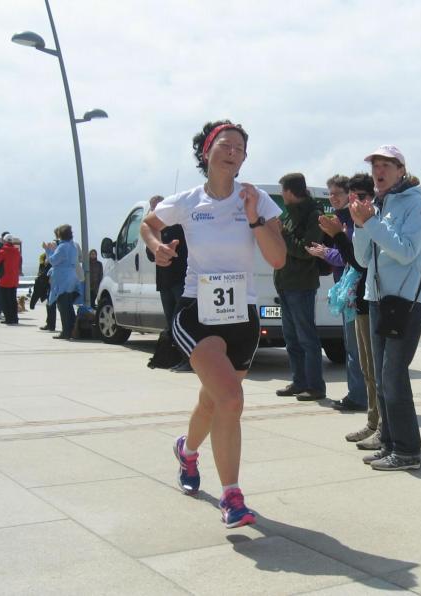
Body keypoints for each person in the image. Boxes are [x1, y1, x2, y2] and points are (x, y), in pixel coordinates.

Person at [140, 119, 285, 528]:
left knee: (213, 400)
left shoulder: (257, 199)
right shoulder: (187, 201)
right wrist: (157, 247)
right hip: (196, 312)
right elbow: (148, 224)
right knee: (231, 399)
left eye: (240, 147)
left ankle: (187, 452)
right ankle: (232, 497)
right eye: (225, 144)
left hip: (243, 316)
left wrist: (254, 219)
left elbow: (278, 259)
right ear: (206, 151)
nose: (233, 151)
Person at [351, 145, 421, 471]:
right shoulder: (379, 205)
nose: (379, 172)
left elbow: (406, 252)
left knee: (394, 378)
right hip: (378, 299)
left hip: (405, 302)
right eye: (375, 166)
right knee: (383, 379)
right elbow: (363, 259)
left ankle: (408, 450)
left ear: (401, 170)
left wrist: (371, 223)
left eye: (386, 165)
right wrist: (360, 225)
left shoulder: (416, 205)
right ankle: (389, 443)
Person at [308, 174, 368, 412]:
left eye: (337, 193)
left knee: (355, 348)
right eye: (330, 193)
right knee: (353, 346)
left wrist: (325, 252)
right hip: (346, 289)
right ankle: (359, 395)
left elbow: (349, 256)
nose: (332, 197)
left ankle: (358, 397)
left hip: (353, 290)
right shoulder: (340, 218)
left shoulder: (350, 219)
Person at [273, 172, 327, 401]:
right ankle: (299, 382)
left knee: (307, 338)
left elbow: (307, 251)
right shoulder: (289, 214)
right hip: (286, 283)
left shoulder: (313, 215)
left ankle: (315, 387)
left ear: (289, 191)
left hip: (302, 285)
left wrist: (283, 234)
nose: (282, 194)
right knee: (291, 339)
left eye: (282, 190)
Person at [147, 195, 191, 372]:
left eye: (157, 207)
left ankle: (188, 359)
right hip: (164, 283)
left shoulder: (177, 226)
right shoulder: (154, 230)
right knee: (171, 322)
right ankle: (176, 357)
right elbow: (151, 256)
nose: (154, 211)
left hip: (179, 281)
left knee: (182, 321)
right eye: (152, 208)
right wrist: (154, 245)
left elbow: (184, 251)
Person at [44, 224, 79, 339]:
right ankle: (73, 329)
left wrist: (48, 250)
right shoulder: (73, 246)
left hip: (62, 278)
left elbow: (53, 261)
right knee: (69, 305)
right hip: (71, 276)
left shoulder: (63, 247)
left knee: (62, 306)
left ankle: (66, 332)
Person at [0, 234, 21, 324]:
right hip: (14, 279)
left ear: (4, 241)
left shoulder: (2, 251)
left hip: (4, 279)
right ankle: (15, 318)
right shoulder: (17, 252)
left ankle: (8, 318)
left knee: (5, 300)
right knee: (13, 299)